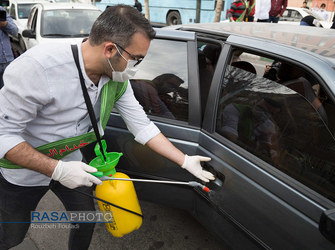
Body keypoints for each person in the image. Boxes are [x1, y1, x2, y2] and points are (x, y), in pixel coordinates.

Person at [0, 5, 214, 250]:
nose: (138, 67)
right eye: (136, 59)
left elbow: (141, 126)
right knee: (13, 235)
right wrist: (57, 170)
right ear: (110, 49)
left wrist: (184, 160)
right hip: (23, 171)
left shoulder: (115, 78)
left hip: (73, 164)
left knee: (85, 220)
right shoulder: (38, 69)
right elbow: (3, 136)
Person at [0, 7, 18, 89]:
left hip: (8, 60)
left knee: (10, 92)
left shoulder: (1, 10)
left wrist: (5, 24)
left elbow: (15, 31)